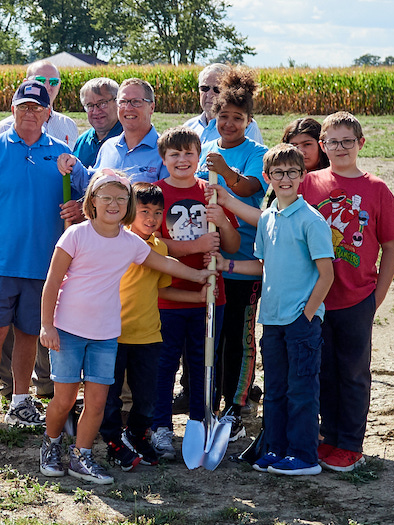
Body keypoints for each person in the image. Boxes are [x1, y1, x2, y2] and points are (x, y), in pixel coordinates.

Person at [38, 170, 213, 484]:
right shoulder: (76, 235)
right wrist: (47, 326)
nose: (114, 203)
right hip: (68, 331)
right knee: (64, 399)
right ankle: (50, 445)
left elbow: (166, 264)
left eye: (121, 198)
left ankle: (82, 455)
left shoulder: (130, 242)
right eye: (107, 197)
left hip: (106, 334)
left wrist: (200, 276)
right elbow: (52, 283)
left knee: (97, 402)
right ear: (92, 201)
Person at [0, 80, 86, 435]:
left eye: (37, 107)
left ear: (48, 113)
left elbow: (89, 199)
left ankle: (19, 402)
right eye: (23, 107)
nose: (30, 113)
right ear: (13, 110)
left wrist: (78, 205)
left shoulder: (62, 155)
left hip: (43, 267)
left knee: (30, 333)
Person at [212, 143, 335, 476]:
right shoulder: (267, 219)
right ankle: (277, 449)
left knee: (302, 389)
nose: (285, 178)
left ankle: (303, 454)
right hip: (271, 320)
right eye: (278, 173)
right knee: (276, 390)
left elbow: (327, 274)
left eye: (291, 172)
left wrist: (307, 314)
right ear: (267, 177)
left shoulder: (311, 220)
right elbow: (263, 266)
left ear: (302, 176)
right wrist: (228, 265)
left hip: (300, 321)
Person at [297, 111, 394, 471]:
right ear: (323, 145)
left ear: (360, 144)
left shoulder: (376, 189)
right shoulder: (309, 183)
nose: (340, 147)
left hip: (357, 297)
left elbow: (391, 246)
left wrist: (378, 296)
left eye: (347, 141)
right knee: (322, 370)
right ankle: (328, 437)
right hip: (314, 297)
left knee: (353, 372)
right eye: (333, 141)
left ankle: (350, 444)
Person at [98, 182, 207, 469]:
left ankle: (138, 435)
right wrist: (198, 276)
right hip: (114, 333)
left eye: (158, 212)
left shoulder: (158, 244)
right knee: (110, 397)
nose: (151, 218)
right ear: (130, 211)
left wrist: (198, 295)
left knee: (147, 397)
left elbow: (163, 289)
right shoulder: (118, 240)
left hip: (148, 335)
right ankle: (112, 440)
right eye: (144, 210)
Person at [0, 61, 83, 403]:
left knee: (44, 316)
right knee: (4, 325)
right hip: (9, 244)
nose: (47, 84)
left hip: (49, 242)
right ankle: (8, 387)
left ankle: (46, 385)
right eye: (39, 80)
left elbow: (80, 180)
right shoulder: (2, 132)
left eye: (53, 81)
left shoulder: (66, 131)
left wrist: (79, 204)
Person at [150, 127, 240, 459]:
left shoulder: (210, 192)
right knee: (165, 363)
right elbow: (150, 246)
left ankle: (201, 421)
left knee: (205, 363)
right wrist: (194, 245)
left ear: (199, 155)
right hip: (167, 296)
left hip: (210, 297)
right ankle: (160, 426)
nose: (182, 160)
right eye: (174, 155)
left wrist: (224, 224)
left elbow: (231, 244)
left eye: (189, 153)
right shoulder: (156, 195)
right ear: (164, 159)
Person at [198, 69, 269, 438]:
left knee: (239, 339)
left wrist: (224, 171)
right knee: (212, 334)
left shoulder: (258, 153)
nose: (229, 123)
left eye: (237, 118)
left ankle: (235, 406)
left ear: (249, 121)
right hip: (209, 263)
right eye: (223, 116)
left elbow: (249, 187)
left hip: (242, 262)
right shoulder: (205, 151)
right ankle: (206, 403)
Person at [92, 78, 169, 183]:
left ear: (152, 107)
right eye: (123, 102)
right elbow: (92, 185)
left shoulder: (165, 151)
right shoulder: (108, 147)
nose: (128, 108)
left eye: (136, 102)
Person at [0, 60, 79, 146]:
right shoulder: (4, 128)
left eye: (53, 81)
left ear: (59, 85)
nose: (47, 87)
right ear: (26, 83)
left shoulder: (69, 125)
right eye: (40, 80)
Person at [184, 63, 263, 144]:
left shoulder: (246, 127)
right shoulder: (189, 127)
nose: (209, 95)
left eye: (217, 89)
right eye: (204, 88)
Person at [73, 77, 123, 168]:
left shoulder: (128, 139)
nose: (96, 111)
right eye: (90, 105)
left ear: (117, 102)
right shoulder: (82, 142)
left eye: (102, 103)